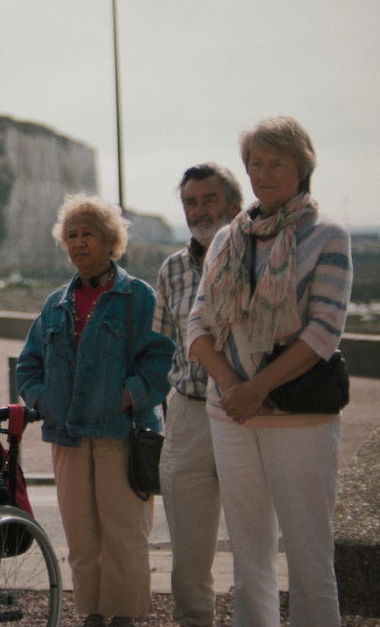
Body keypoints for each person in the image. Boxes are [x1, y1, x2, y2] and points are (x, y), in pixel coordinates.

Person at [187, 116, 351, 627]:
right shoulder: (226, 240)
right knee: (249, 559)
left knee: (309, 560)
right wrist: (235, 389)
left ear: (302, 166)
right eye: (255, 162)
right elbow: (196, 326)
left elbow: (324, 331)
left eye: (276, 161)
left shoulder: (328, 236)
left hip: (299, 417)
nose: (263, 172)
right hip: (231, 415)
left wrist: (257, 387)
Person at [16, 194, 173, 627]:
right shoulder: (55, 304)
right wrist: (43, 401)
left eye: (89, 233)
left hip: (121, 432)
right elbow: (28, 366)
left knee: (124, 533)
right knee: (81, 536)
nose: (79, 242)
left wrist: (127, 396)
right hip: (67, 435)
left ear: (111, 241)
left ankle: (123, 614)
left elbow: (163, 361)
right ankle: (93, 612)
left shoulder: (138, 297)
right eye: (72, 235)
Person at [154, 163, 243, 627]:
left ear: (234, 203)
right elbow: (167, 342)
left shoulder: (258, 256)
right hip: (188, 412)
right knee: (188, 549)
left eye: (209, 200)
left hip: (247, 411)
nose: (199, 210)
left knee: (255, 539)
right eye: (190, 202)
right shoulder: (171, 269)